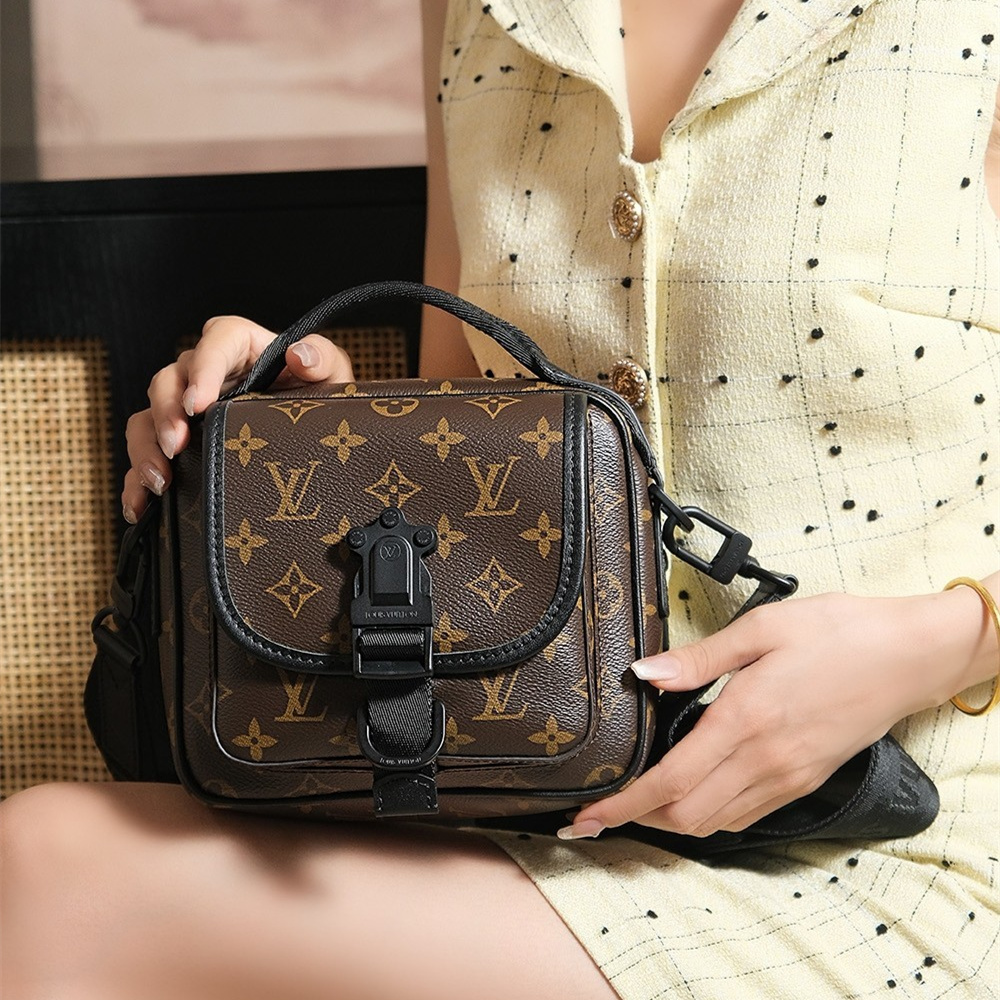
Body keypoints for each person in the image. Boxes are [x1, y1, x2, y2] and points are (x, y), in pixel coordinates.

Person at [3, 2, 998, 998]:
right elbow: (465, 433)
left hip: (906, 825)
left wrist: (939, 642)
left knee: (65, 889)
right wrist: (293, 433)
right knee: (40, 856)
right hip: (537, 797)